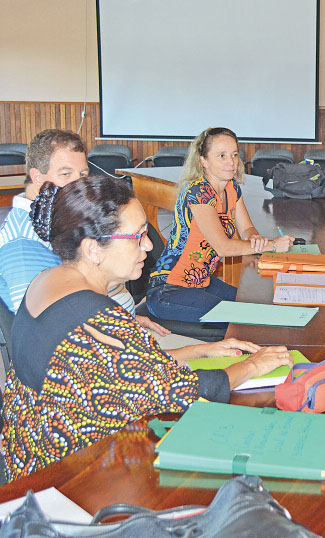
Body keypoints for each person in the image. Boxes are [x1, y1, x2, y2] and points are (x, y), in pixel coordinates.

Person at [0, 176, 293, 482]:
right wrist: (252, 366)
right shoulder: (95, 318)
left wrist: (200, 350)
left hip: (32, 458)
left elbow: (120, 370)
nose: (149, 245)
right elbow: (179, 393)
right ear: (93, 249)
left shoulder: (48, 280)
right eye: (138, 236)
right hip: (71, 476)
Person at [0, 129, 167, 335]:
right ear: (37, 177)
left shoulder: (61, 217)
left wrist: (130, 319)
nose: (78, 183)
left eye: (83, 174)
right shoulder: (23, 243)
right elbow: (48, 328)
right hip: (101, 341)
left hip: (121, 325)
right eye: (65, 174)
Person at [146, 127, 294, 323]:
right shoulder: (198, 192)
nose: (231, 162)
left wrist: (255, 237)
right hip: (169, 290)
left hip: (202, 282)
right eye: (222, 156)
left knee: (254, 305)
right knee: (242, 319)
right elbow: (222, 247)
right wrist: (272, 245)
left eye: (234, 155)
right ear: (203, 161)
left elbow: (246, 228)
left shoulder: (231, 187)